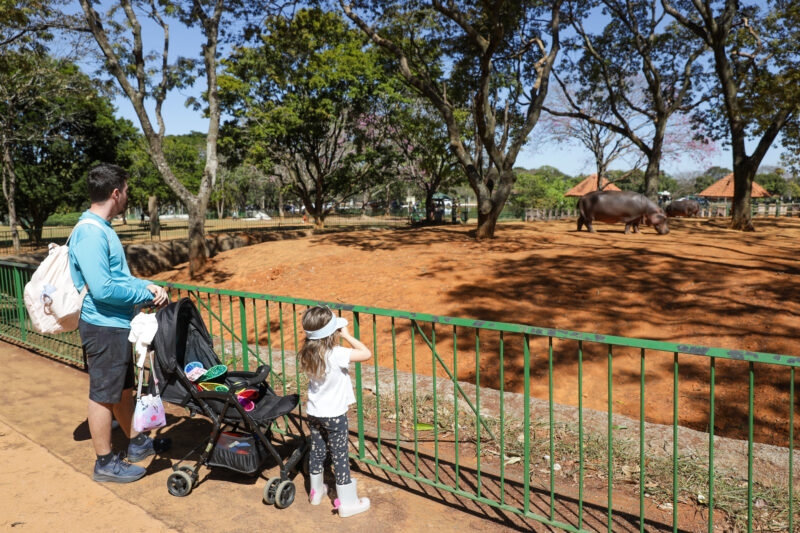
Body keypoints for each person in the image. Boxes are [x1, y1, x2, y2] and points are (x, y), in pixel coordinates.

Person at [69, 163, 171, 483]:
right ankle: (105, 461)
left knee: (123, 390)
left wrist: (147, 286)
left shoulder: (102, 228)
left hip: (115, 323)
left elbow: (119, 279)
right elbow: (104, 289)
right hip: (103, 326)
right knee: (103, 393)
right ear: (116, 193)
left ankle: (137, 442)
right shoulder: (90, 232)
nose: (127, 196)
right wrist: (143, 292)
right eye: (126, 191)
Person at [298, 306, 372, 517]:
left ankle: (315, 492)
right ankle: (348, 503)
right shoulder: (337, 354)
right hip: (335, 415)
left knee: (317, 451)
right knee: (340, 456)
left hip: (314, 413)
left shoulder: (307, 353)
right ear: (332, 334)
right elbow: (366, 353)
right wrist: (348, 335)